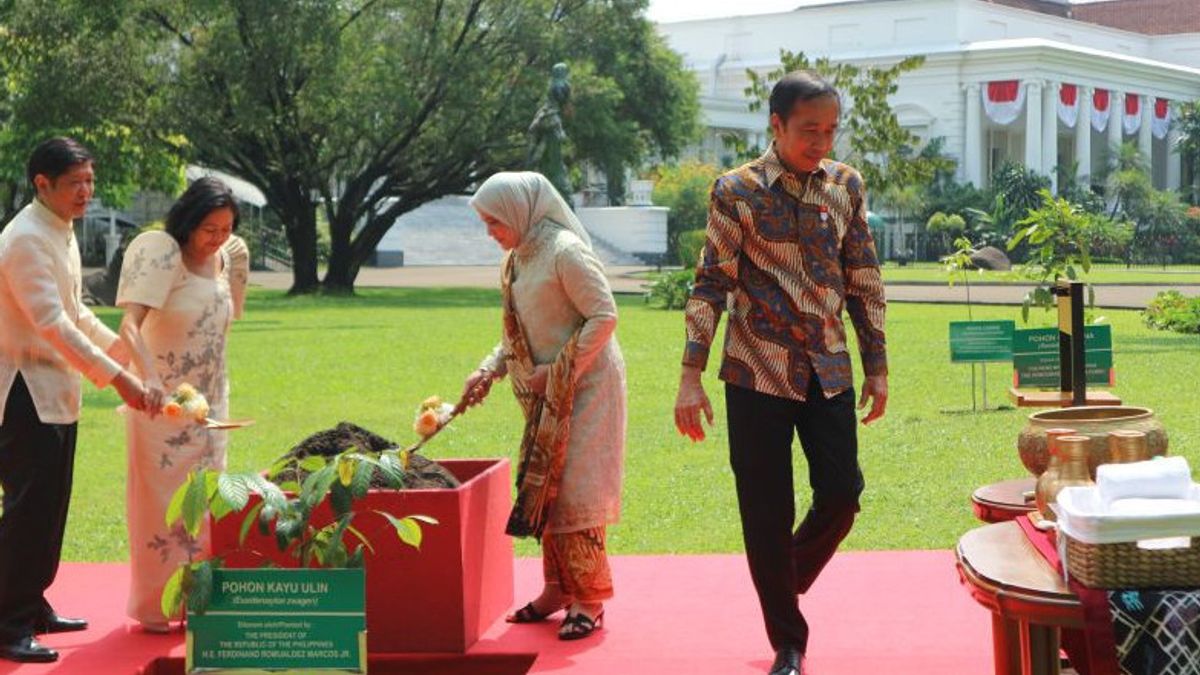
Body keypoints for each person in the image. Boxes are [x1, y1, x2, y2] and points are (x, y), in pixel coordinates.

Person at [672, 71, 888, 675]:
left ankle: (779, 578)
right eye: (807, 130)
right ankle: (788, 644)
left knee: (842, 495)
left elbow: (864, 277)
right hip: (754, 372)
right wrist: (691, 375)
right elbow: (710, 284)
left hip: (827, 369)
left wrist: (877, 365)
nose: (820, 142)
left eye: (829, 130)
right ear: (776, 125)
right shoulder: (734, 191)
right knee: (765, 508)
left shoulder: (846, 186)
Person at [0, 137, 150, 663]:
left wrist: (121, 355)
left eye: (90, 180)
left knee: (50, 505)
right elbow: (51, 321)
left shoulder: (58, 229)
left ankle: (31, 602)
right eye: (76, 183)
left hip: (55, 386)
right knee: (27, 508)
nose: (87, 192)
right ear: (43, 184)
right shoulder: (23, 239)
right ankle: (8, 622)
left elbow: (77, 309)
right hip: (23, 391)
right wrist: (120, 379)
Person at [460, 171, 625, 640]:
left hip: (587, 386)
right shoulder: (517, 258)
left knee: (575, 488)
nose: (490, 232)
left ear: (519, 211)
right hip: (544, 393)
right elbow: (519, 330)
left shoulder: (564, 251)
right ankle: (556, 590)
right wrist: (488, 369)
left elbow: (604, 315)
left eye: (495, 221)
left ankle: (589, 600)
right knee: (547, 485)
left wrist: (557, 371)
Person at [115, 177, 249, 633]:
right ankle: (158, 605)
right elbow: (128, 327)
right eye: (209, 229)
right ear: (189, 221)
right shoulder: (162, 255)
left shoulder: (230, 257)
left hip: (211, 405)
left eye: (227, 227)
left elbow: (224, 327)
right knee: (164, 506)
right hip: (162, 408)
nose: (218, 238)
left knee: (208, 502)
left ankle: (201, 599)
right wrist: (148, 378)